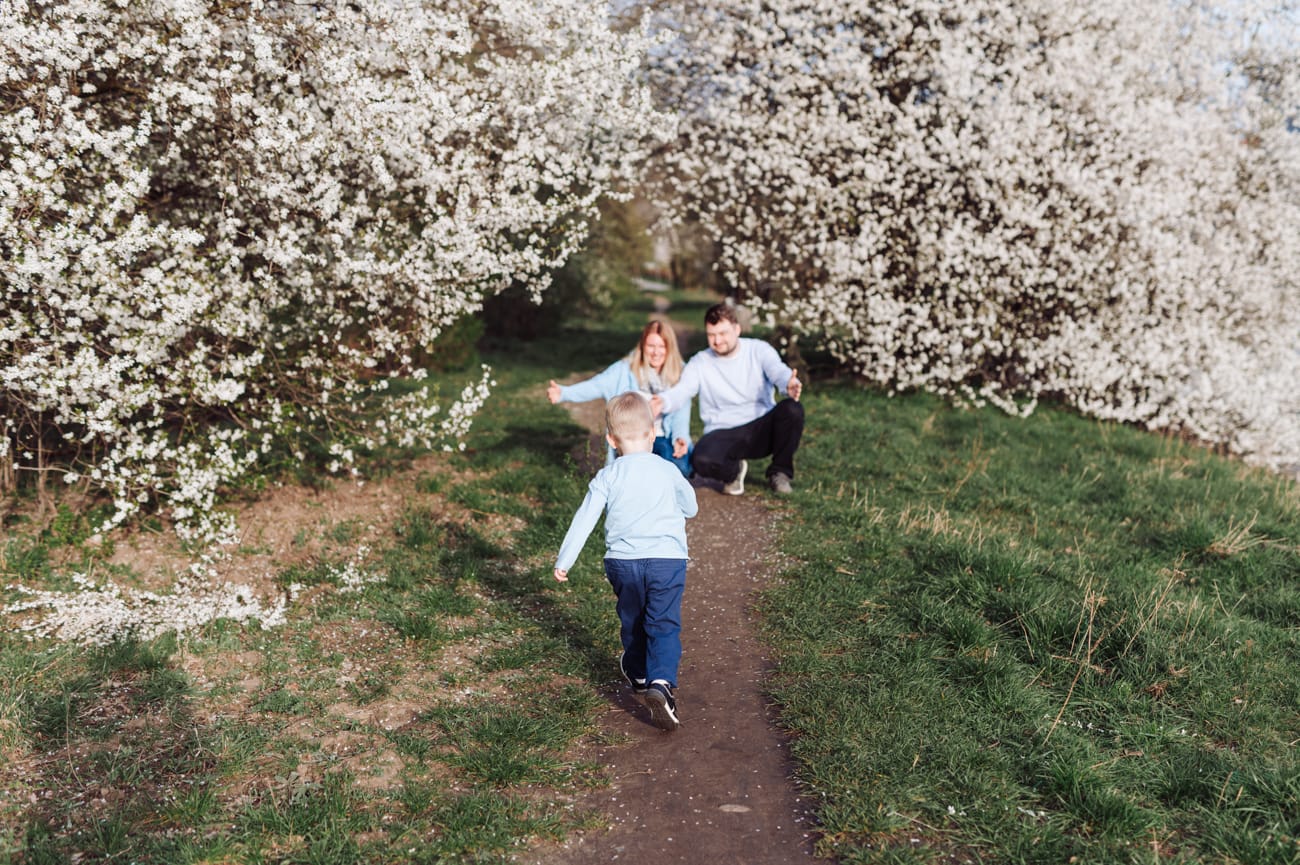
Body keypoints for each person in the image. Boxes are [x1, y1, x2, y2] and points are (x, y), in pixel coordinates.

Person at [554, 392, 698, 732]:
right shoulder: (667, 469)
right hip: (667, 560)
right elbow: (691, 508)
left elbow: (584, 518)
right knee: (662, 623)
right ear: (652, 434)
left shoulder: (608, 475)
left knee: (632, 620)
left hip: (622, 562)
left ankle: (637, 671)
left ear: (611, 440)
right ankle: (661, 683)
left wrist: (565, 560)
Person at [651, 302, 804, 495]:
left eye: (723, 334)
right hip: (723, 430)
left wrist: (788, 384)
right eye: (711, 335)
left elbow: (778, 371)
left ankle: (780, 473)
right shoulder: (700, 361)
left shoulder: (758, 350)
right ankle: (734, 471)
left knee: (792, 409)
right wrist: (662, 401)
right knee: (701, 460)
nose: (717, 341)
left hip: (761, 427)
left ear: (737, 329)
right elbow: (683, 390)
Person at [547, 320, 692, 476]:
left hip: (663, 437)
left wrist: (679, 438)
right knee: (634, 474)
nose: (656, 352)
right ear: (642, 346)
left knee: (679, 470)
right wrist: (564, 393)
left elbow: (682, 412)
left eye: (661, 346)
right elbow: (596, 385)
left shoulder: (680, 372)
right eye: (651, 346)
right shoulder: (624, 369)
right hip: (632, 438)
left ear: (669, 348)